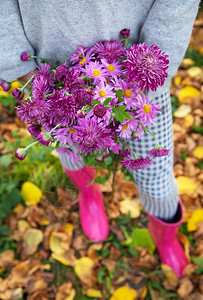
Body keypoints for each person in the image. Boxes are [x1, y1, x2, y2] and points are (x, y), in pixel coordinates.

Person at [0, 0, 200, 277]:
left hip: (140, 86)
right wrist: (16, 63)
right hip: (55, 83)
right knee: (71, 152)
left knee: (157, 180)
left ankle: (165, 234)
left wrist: (156, 61)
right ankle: (89, 194)